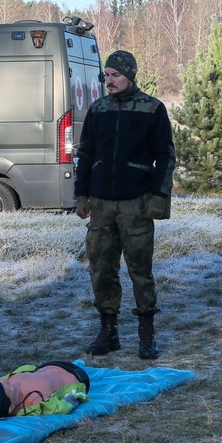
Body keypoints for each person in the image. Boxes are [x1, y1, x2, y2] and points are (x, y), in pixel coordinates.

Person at [74, 50, 175, 360]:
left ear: (130, 75)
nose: (109, 81)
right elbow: (86, 154)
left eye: (115, 75)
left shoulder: (152, 108)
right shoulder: (98, 109)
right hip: (102, 204)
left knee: (140, 270)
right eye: (106, 75)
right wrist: (81, 194)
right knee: (101, 269)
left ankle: (146, 333)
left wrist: (159, 195)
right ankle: (109, 330)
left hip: (137, 204)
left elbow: (166, 156)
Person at [0, 361, 90, 418]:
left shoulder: (3, 384)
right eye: (10, 388)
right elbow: (61, 407)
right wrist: (75, 397)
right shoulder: (34, 405)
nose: (6, 381)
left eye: (5, 382)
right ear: (11, 407)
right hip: (77, 376)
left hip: (50, 364)